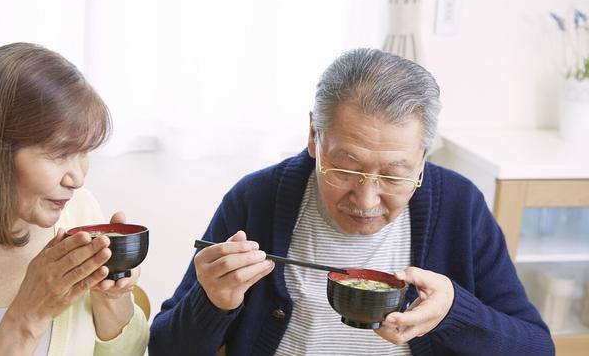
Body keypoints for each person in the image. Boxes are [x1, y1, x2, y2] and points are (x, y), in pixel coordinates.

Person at [149, 48, 554, 356]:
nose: (366, 199)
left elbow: (538, 347)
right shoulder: (257, 199)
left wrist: (454, 314)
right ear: (314, 136)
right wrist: (214, 302)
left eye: (395, 174)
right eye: (345, 169)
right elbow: (166, 347)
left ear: (424, 156)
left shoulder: (459, 206)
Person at [0, 43, 149, 356]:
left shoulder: (79, 210)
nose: (78, 178)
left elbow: (128, 352)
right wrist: (26, 318)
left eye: (83, 152)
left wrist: (110, 298)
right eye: (60, 154)